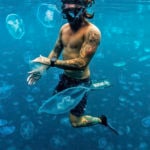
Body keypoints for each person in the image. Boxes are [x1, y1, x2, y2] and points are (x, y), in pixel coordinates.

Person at [27, 0, 108, 128]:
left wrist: (50, 62)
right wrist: (42, 69)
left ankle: (100, 120)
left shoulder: (93, 32)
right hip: (65, 78)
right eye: (66, 4)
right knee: (55, 104)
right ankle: (95, 86)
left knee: (75, 122)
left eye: (73, 4)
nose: (68, 9)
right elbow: (55, 51)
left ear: (84, 6)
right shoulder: (64, 28)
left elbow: (81, 63)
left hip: (80, 82)